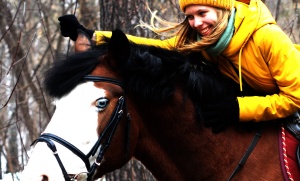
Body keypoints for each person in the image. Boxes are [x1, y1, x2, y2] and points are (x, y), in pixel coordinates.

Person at [58, 0, 300, 133]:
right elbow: (156, 47)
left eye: (202, 13)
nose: (196, 23)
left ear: (224, 7)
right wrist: (94, 36)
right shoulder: (205, 42)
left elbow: (295, 97)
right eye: (190, 17)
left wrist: (238, 108)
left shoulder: (267, 37)